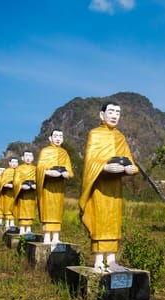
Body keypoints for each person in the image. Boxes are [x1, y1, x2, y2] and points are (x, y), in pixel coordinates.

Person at [79, 101, 138, 273]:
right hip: (100, 186)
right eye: (111, 111)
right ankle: (98, 260)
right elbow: (90, 161)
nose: (114, 115)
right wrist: (104, 167)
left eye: (118, 112)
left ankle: (111, 260)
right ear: (101, 114)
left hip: (115, 188)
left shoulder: (121, 137)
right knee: (100, 220)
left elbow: (131, 162)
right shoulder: (95, 134)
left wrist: (129, 169)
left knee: (113, 222)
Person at [36, 129, 74, 245]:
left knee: (57, 211)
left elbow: (70, 171)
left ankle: (56, 237)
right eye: (56, 136)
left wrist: (66, 174)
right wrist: (48, 172)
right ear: (50, 138)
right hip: (47, 187)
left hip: (59, 187)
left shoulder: (64, 153)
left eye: (60, 136)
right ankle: (47, 236)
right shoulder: (45, 151)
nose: (58, 138)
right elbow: (39, 168)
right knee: (48, 210)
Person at [12, 151, 37, 234]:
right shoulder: (19, 168)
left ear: (33, 158)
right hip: (22, 193)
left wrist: (35, 185)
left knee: (30, 210)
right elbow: (16, 181)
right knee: (22, 210)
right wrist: (21, 185)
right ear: (22, 158)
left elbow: (38, 179)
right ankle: (22, 228)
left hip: (31, 194)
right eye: (26, 156)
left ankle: (29, 229)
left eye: (30, 156)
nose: (28, 158)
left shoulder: (35, 169)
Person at [0, 158, 19, 229]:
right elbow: (2, 182)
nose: (14, 163)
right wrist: (7, 185)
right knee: (7, 207)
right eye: (13, 162)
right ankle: (7, 223)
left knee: (14, 207)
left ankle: (12, 223)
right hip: (8, 193)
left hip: (15, 193)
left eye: (16, 162)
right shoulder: (6, 171)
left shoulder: (18, 171)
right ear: (9, 163)